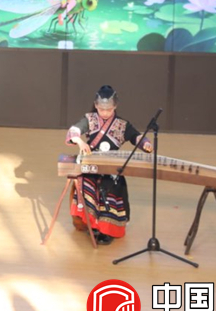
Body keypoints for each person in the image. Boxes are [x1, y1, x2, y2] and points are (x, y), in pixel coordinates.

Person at [65, 85, 152, 245]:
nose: (105, 113)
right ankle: (93, 224)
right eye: (101, 109)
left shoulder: (122, 124)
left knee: (110, 191)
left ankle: (107, 230)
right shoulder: (90, 119)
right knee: (87, 184)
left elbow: (135, 136)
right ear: (96, 105)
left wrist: (145, 143)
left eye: (109, 110)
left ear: (115, 106)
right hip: (91, 166)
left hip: (111, 168)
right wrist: (80, 141)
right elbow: (74, 130)